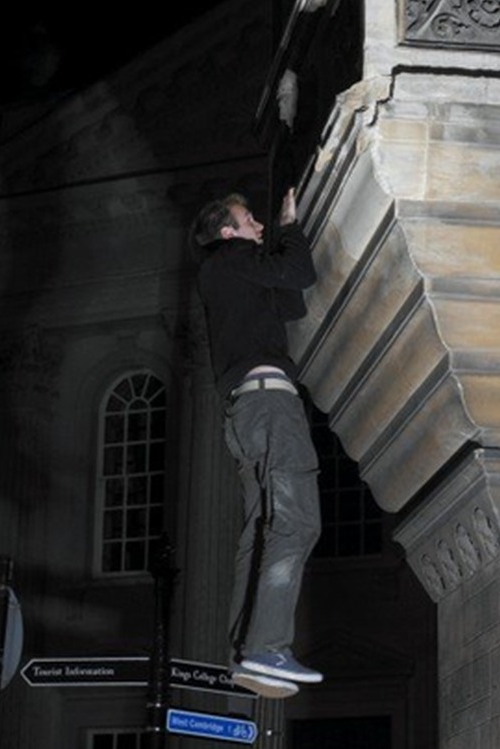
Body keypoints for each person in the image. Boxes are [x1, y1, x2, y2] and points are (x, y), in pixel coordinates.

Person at [193, 188, 323, 699]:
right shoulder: (230, 260)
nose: (259, 226)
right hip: (269, 406)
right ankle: (267, 646)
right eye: (250, 221)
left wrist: (282, 249)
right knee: (294, 521)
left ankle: (245, 651)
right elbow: (301, 274)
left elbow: (290, 300)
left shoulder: (234, 274)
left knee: (261, 529)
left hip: (246, 412)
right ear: (227, 232)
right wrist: (290, 227)